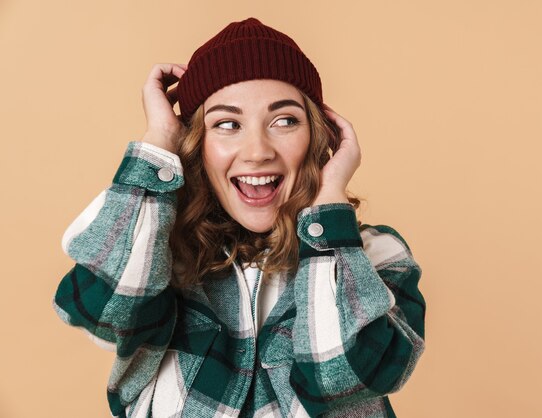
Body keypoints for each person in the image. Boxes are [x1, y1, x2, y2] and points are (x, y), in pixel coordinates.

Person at [53, 17, 426, 418]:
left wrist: (327, 212)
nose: (257, 151)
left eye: (284, 121)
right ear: (197, 144)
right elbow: (106, 313)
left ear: (319, 137)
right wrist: (159, 141)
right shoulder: (158, 253)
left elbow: (342, 378)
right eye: (227, 124)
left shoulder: (373, 257)